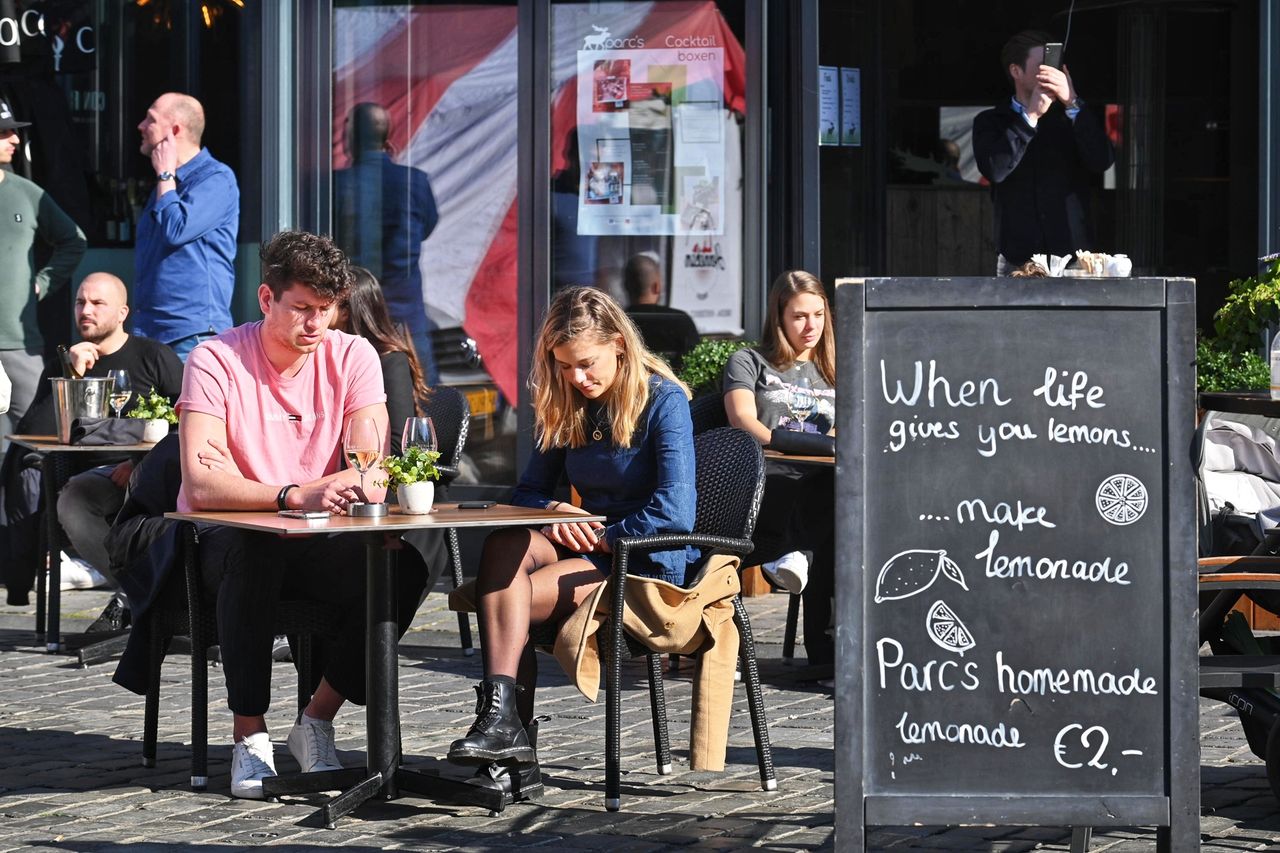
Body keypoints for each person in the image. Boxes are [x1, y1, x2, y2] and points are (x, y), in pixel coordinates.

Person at [176, 230, 428, 799]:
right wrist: (294, 493)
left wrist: (336, 485)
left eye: (326, 309)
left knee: (402, 565)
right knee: (254, 547)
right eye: (301, 309)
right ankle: (249, 735)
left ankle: (315, 719)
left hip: (316, 536)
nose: (315, 324)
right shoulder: (216, 359)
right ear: (266, 300)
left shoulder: (353, 355)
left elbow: (371, 469)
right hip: (229, 539)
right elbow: (202, 483)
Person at [446, 286, 696, 782]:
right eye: (563, 366)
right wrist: (557, 509)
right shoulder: (569, 403)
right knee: (506, 544)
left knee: (507, 596)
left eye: (585, 363)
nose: (575, 378)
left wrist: (604, 536)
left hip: (642, 559)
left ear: (619, 345)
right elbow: (526, 493)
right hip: (590, 545)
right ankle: (503, 727)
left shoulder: (663, 401)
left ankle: (507, 737)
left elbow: (676, 511)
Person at [722, 270, 835, 665]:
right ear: (779, 318)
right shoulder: (748, 362)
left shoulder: (837, 371)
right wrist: (801, 443)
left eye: (818, 315)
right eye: (799, 316)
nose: (811, 326)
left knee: (841, 505)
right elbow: (744, 422)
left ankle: (796, 554)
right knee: (833, 516)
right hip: (762, 483)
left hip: (818, 486)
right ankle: (792, 550)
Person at [55, 273, 184, 589]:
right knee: (72, 500)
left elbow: (189, 419)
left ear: (123, 313)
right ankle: (137, 590)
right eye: (80, 302)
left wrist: (139, 462)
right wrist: (70, 374)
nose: (86, 311)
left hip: (146, 471)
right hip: (88, 475)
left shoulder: (153, 355)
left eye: (98, 303)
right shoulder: (69, 358)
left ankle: (146, 596)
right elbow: (36, 428)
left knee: (141, 490)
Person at [972, 31, 1114, 275]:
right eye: (1041, 67)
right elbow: (995, 169)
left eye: (1054, 66)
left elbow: (1102, 160)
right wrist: (1030, 117)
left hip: (1073, 255)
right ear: (1016, 71)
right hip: (1019, 256)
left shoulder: (1070, 118)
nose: (1050, 74)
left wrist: (1072, 102)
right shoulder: (991, 121)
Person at [0, 102, 87, 451]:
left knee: (32, 445)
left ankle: (27, 509)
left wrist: (41, 283)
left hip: (22, 344)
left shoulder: (28, 194)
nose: (16, 140)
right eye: (5, 132)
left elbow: (73, 241)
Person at [333, 102, 440, 385]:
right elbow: (427, 227)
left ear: (350, 139)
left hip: (355, 308)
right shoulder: (414, 182)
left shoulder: (335, 186)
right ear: (386, 138)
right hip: (405, 310)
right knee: (421, 392)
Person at [134, 92, 240, 360]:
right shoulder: (166, 185)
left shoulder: (216, 178)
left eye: (151, 119)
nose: (141, 126)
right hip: (150, 331)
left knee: (190, 404)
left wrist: (165, 175)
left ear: (175, 129)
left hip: (190, 334)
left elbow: (176, 230)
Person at [622, 253, 700, 371]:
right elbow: (693, 365)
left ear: (625, 286)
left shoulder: (617, 321)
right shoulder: (680, 321)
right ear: (657, 287)